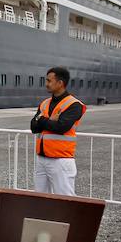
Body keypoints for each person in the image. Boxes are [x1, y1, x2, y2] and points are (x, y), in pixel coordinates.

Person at [31, 66, 86, 196]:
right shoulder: (45, 103)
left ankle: (70, 217)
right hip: (42, 158)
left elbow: (61, 127)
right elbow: (33, 126)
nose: (46, 84)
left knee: (65, 199)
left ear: (60, 83)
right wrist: (49, 120)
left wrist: (42, 120)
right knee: (40, 198)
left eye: (49, 81)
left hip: (60, 160)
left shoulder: (74, 104)